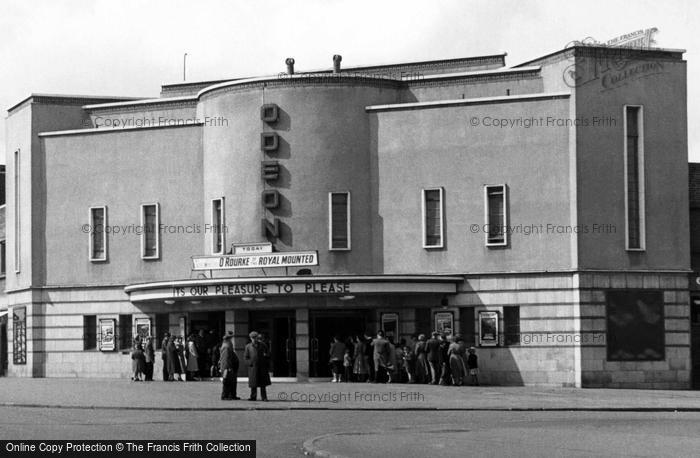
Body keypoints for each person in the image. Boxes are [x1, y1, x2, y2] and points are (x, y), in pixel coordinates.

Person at [244, 331, 271, 401]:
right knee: (253, 383)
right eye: (252, 338)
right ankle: (253, 396)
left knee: (263, 384)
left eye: (255, 337)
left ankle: (264, 397)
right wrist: (250, 363)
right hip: (253, 367)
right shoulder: (248, 346)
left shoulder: (263, 345)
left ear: (257, 337)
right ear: (250, 338)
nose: (254, 339)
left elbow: (268, 354)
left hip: (262, 367)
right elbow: (246, 357)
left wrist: (265, 359)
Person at [219, 331, 240, 400]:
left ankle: (232, 395)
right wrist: (228, 367)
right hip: (227, 367)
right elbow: (226, 358)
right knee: (227, 381)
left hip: (230, 366)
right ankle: (225, 395)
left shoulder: (228, 345)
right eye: (231, 338)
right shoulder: (226, 346)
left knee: (232, 381)